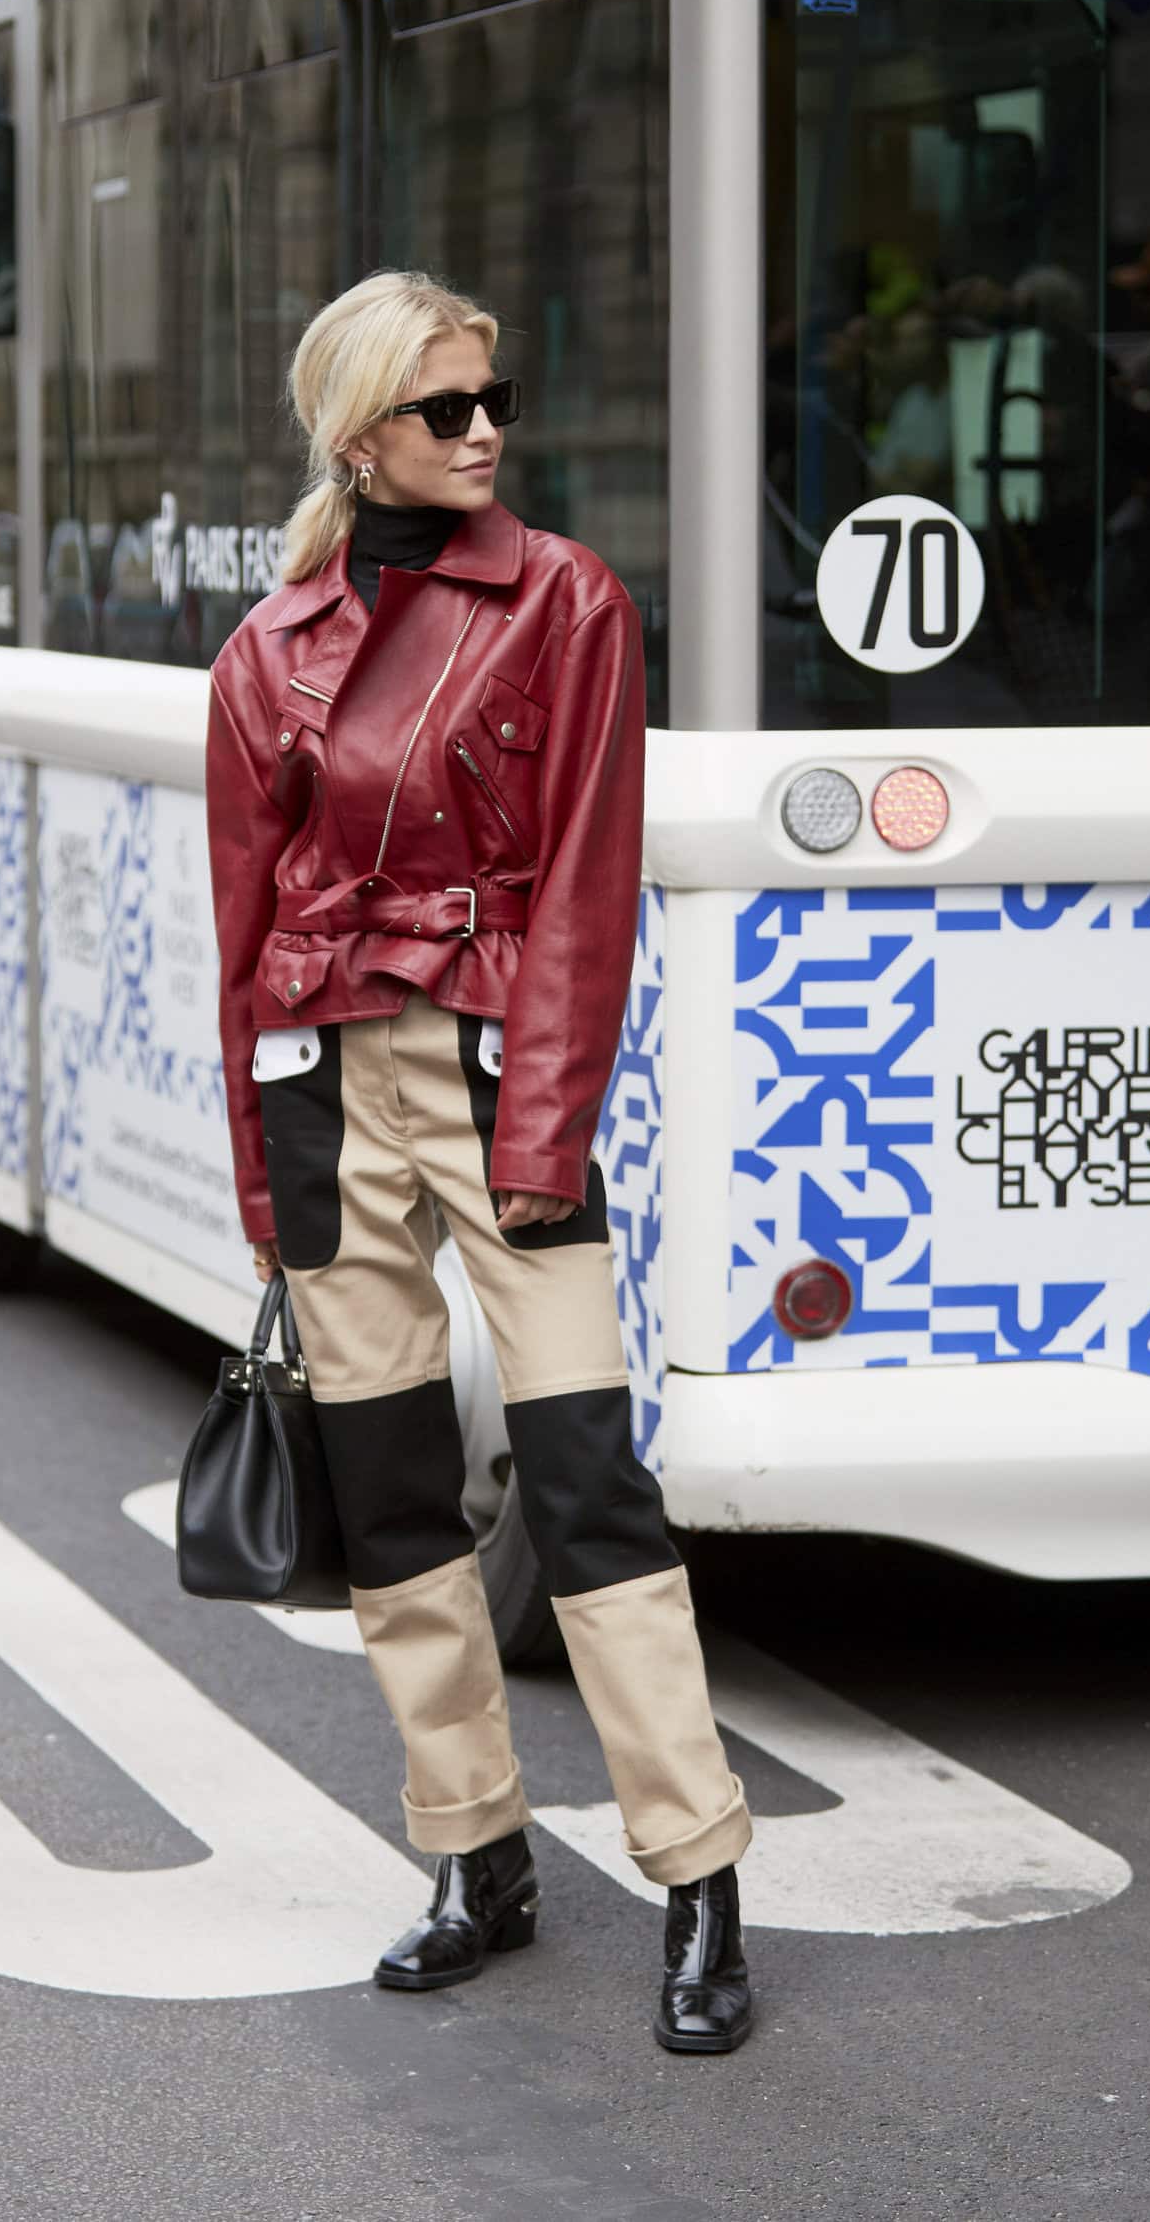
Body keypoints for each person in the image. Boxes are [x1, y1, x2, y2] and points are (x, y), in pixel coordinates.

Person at [204, 270, 753, 2055]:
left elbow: (590, 884)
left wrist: (543, 1129)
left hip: (491, 1064)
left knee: (588, 1485)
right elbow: (240, 934)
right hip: (314, 1078)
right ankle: (475, 1856)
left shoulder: (565, 602)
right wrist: (264, 1188)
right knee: (389, 1510)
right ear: (359, 434)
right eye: (448, 411)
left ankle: (699, 1880)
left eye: (494, 398)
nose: (487, 430)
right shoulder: (267, 648)